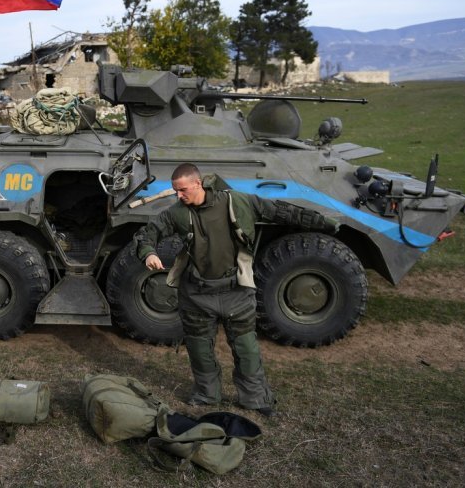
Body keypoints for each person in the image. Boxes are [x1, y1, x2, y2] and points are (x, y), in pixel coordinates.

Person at [134, 163, 339, 417]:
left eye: (183, 190)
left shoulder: (236, 202)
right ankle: (206, 394)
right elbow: (147, 235)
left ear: (198, 184)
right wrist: (149, 253)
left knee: (246, 349)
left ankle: (254, 398)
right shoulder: (176, 213)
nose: (179, 196)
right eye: (176, 191)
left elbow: (280, 211)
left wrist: (324, 222)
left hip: (236, 292)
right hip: (196, 295)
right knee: (200, 349)